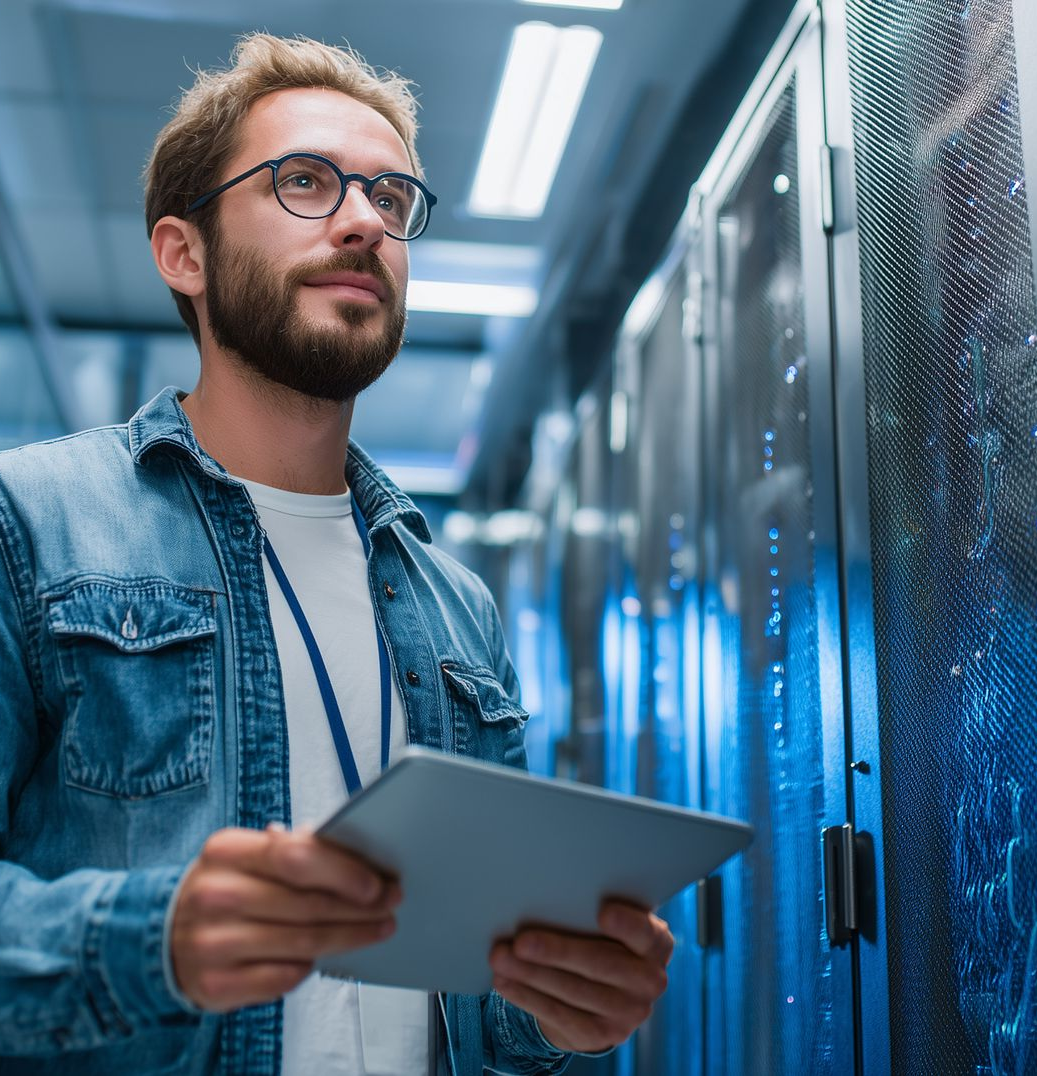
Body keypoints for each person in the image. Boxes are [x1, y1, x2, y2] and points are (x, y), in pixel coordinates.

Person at [0, 33, 672, 1075]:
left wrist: (564, 1006)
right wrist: (153, 941)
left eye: (391, 199)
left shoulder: (453, 604)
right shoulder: (34, 521)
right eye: (304, 182)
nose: (365, 221)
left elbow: (481, 1004)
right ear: (184, 253)